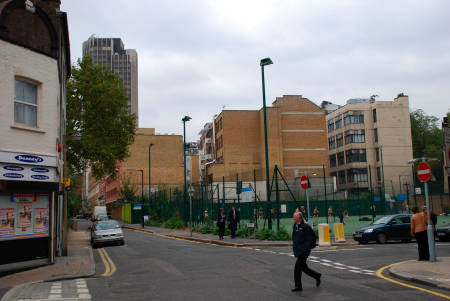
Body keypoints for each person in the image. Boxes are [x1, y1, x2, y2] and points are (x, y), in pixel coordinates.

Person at [291, 211, 321, 292]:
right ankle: (317, 276)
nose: (293, 218)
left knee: (297, 268)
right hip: (298, 250)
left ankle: (298, 286)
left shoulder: (305, 227)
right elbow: (294, 236)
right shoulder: (295, 226)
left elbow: (310, 239)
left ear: (299, 218)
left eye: (294, 217)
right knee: (304, 268)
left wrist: (305, 249)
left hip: (304, 252)